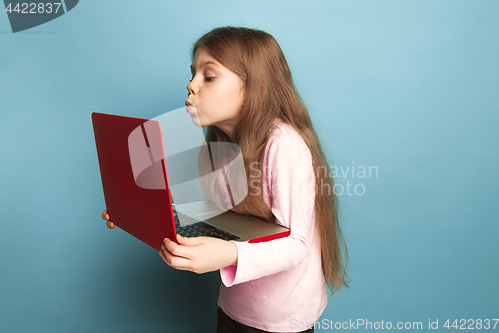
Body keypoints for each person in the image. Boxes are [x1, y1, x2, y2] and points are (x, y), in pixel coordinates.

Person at [102, 26, 348, 333]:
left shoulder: (284, 145)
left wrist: (227, 253)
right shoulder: (218, 147)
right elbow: (218, 218)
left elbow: (297, 246)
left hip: (282, 321)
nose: (191, 85)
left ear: (255, 88)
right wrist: (134, 213)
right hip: (234, 308)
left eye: (208, 76)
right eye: (192, 74)